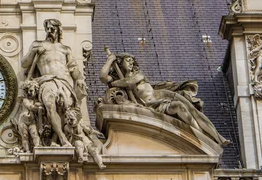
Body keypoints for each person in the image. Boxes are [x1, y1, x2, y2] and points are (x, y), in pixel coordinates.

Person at [99, 50, 229, 146]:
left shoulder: (137, 75)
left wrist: (113, 83)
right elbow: (103, 76)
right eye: (128, 60)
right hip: (154, 104)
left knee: (194, 111)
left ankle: (212, 137)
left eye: (132, 61)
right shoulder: (119, 78)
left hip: (164, 95)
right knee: (180, 107)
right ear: (121, 62)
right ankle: (202, 135)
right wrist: (110, 60)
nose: (131, 63)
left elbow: (129, 82)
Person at [20, 19, 87, 147]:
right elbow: (24, 63)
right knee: (50, 105)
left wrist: (79, 79)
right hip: (47, 80)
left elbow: (73, 68)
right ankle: (63, 139)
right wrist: (34, 51)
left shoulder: (65, 49)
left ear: (58, 30)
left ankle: (57, 138)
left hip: (64, 81)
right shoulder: (38, 45)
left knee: (66, 108)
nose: (50, 32)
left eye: (52, 29)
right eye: (48, 29)